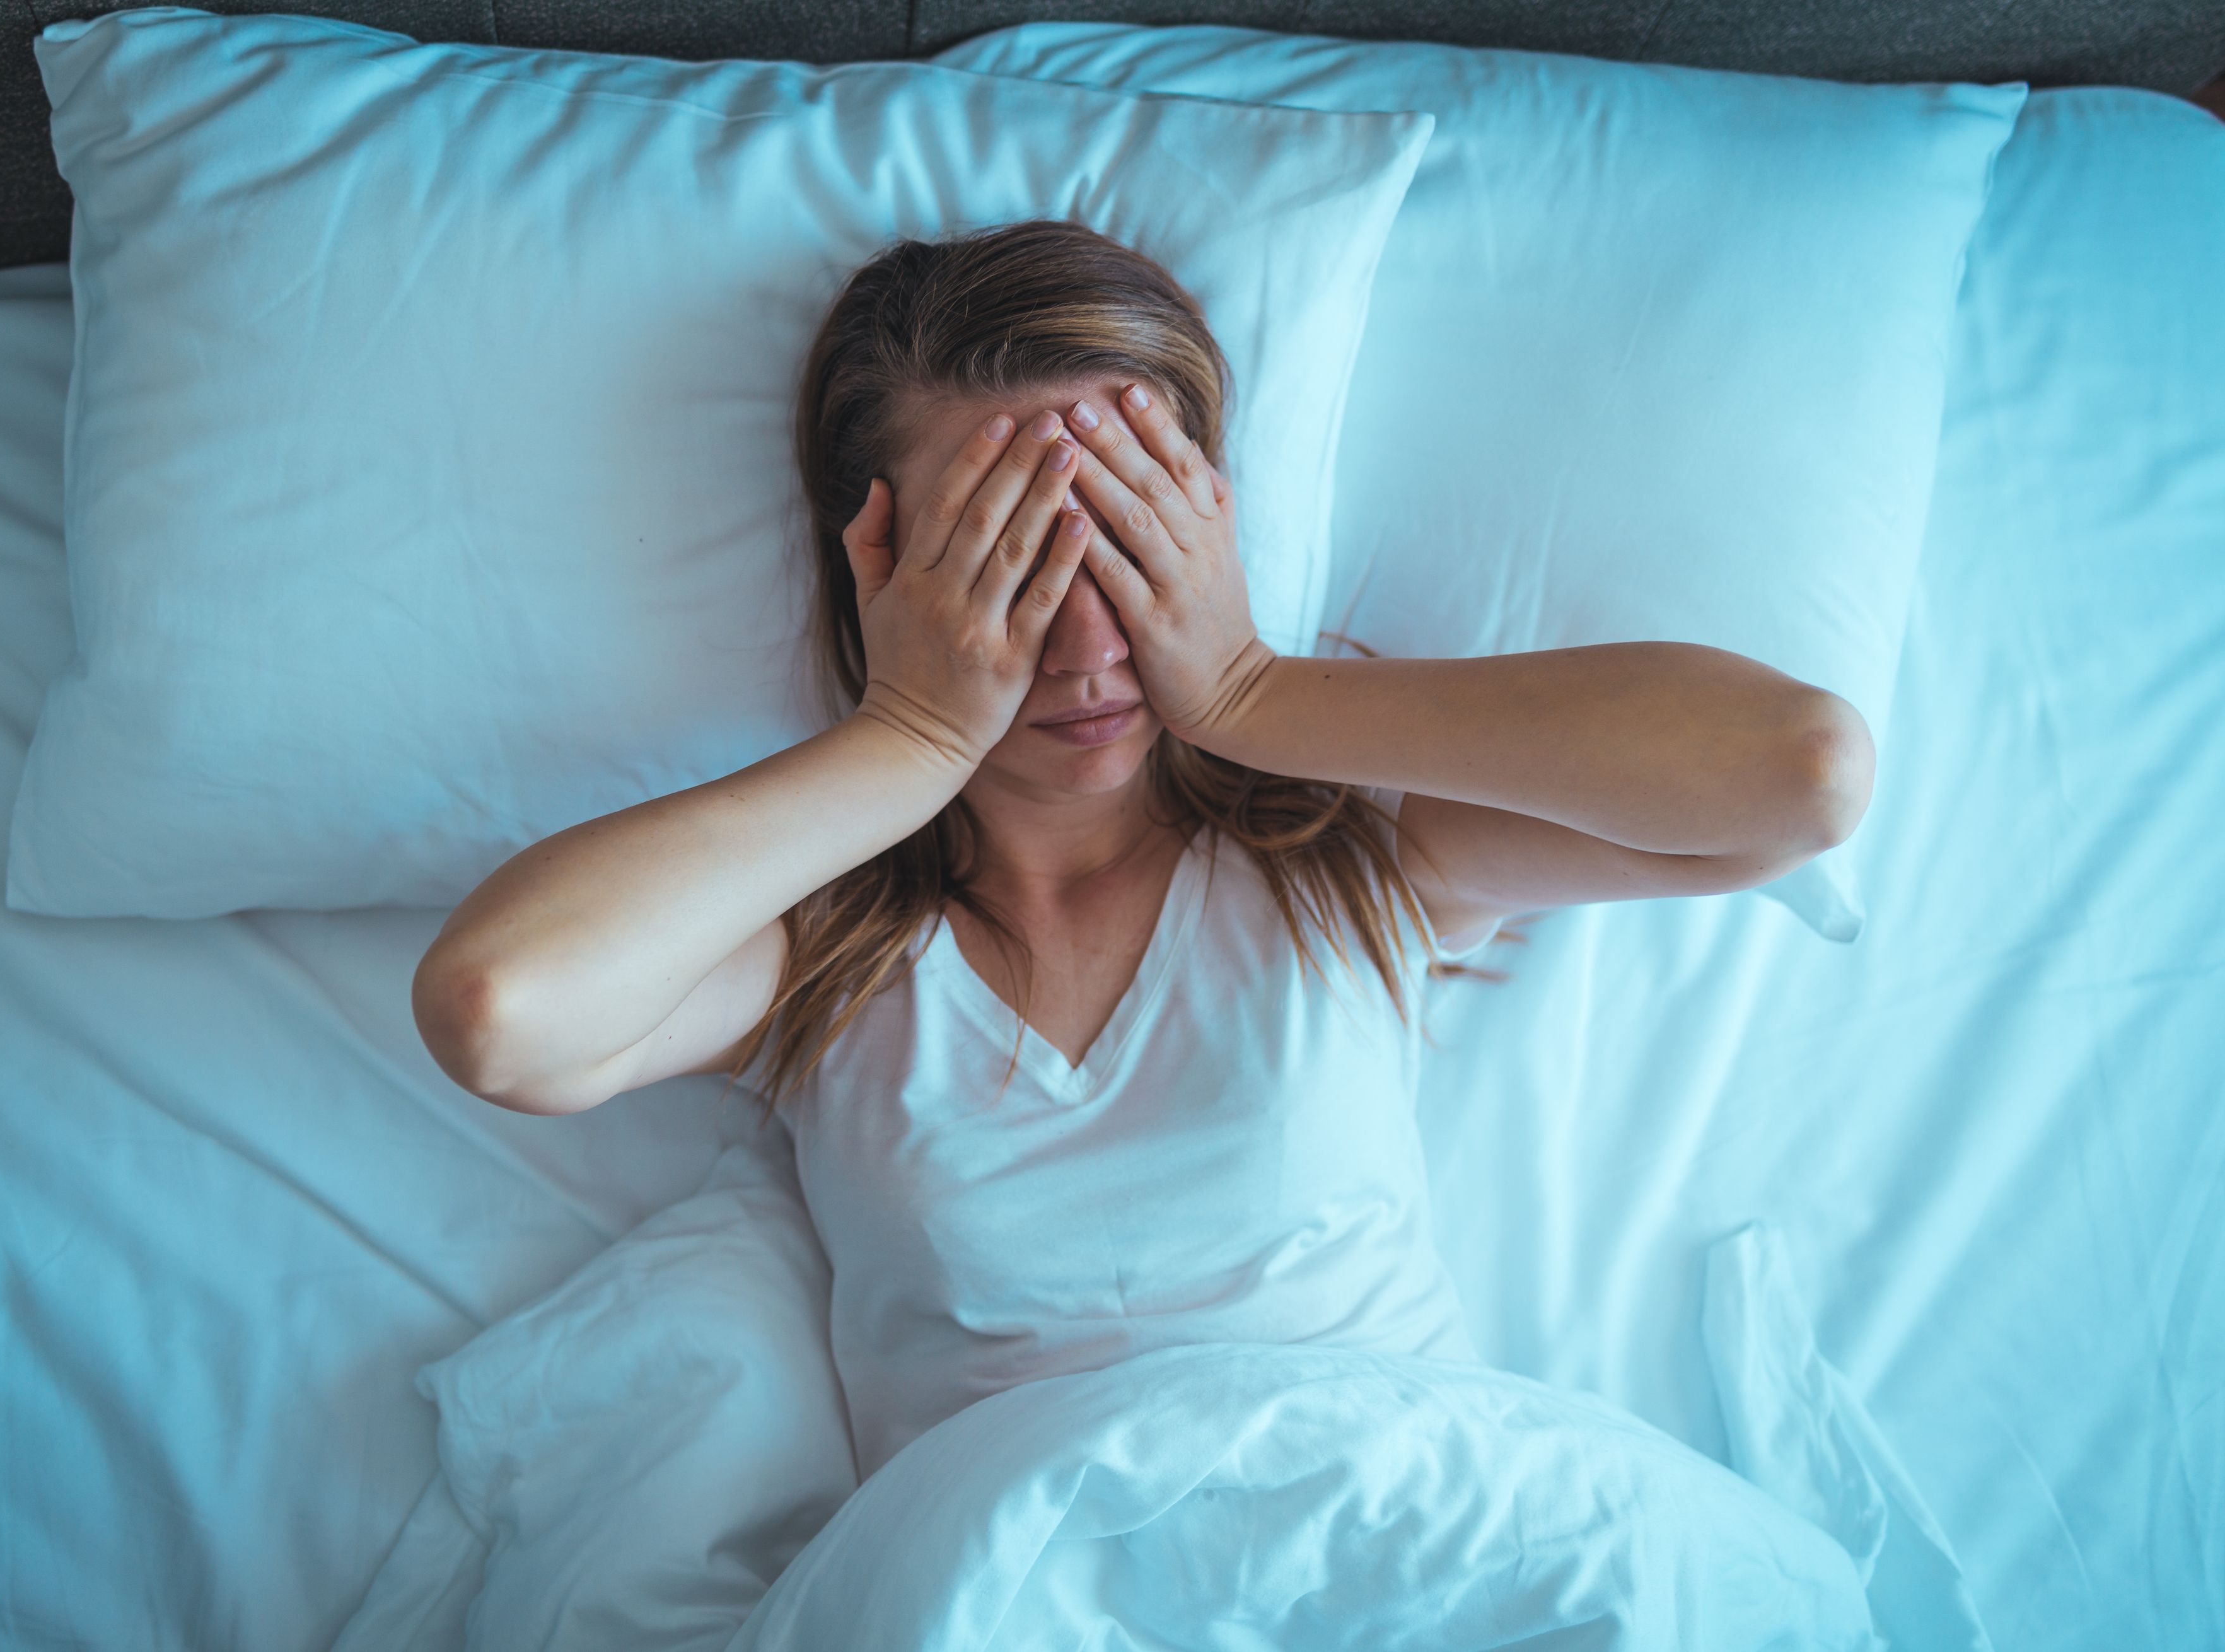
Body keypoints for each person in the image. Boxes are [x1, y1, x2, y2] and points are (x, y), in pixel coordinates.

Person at [411, 220, 1873, 1475]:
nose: (1086, 644)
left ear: (1208, 525)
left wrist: (1246, 688)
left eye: (1123, 542)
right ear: (877, 571)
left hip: (1407, 1532)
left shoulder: (1353, 856)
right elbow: (498, 1008)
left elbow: (1797, 774)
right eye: (1008, 563)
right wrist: (908, 732)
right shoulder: (821, 950)